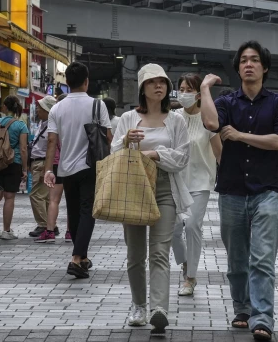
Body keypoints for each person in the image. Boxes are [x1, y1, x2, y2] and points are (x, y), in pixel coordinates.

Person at [201, 41, 278, 341]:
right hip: (231, 189)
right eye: (243, 61)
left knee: (263, 257)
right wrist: (205, 89)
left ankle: (263, 317)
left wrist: (241, 135)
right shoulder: (227, 102)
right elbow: (211, 122)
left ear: (264, 67)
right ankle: (242, 308)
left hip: (266, 189)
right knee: (237, 258)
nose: (248, 65)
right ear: (238, 67)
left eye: (254, 60)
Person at [112, 64, 191, 335]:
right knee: (135, 253)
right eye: (152, 82)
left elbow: (182, 157)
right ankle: (138, 306)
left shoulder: (177, 120)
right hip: (133, 187)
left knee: (160, 250)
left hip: (164, 187)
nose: (158, 86)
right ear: (142, 88)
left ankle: (159, 308)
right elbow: (114, 153)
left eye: (162, 82)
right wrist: (126, 141)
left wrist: (156, 154)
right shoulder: (128, 118)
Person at [43, 62, 112, 278]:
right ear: (86, 81)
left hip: (65, 168)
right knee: (87, 212)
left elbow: (52, 141)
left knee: (73, 213)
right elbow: (108, 137)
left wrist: (48, 170)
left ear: (67, 82)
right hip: (90, 166)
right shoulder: (97, 105)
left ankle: (83, 258)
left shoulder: (56, 108)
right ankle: (76, 258)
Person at [171, 73, 222, 297]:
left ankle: (190, 277)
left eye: (188, 89)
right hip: (175, 180)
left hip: (201, 181)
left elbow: (220, 153)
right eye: (181, 88)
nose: (183, 93)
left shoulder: (208, 120)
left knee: (192, 226)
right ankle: (184, 262)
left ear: (199, 94)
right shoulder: (173, 117)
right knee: (172, 231)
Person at [0, 95, 29, 240]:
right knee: (9, 197)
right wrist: (24, 168)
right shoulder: (20, 125)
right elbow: (23, 149)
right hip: (13, 162)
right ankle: (6, 231)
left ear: (5, 107)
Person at [34, 94, 71, 243]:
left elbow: (51, 141)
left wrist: (47, 168)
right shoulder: (74, 119)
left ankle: (49, 231)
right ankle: (70, 232)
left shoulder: (55, 117)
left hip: (56, 163)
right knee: (71, 200)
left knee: (53, 199)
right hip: (72, 163)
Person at [28, 96, 57, 237]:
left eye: (40, 107)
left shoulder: (52, 126)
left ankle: (43, 224)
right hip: (37, 162)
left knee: (35, 195)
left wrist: (46, 168)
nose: (37, 109)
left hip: (42, 163)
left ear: (48, 110)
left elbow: (52, 147)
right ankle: (51, 225)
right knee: (44, 197)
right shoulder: (43, 123)